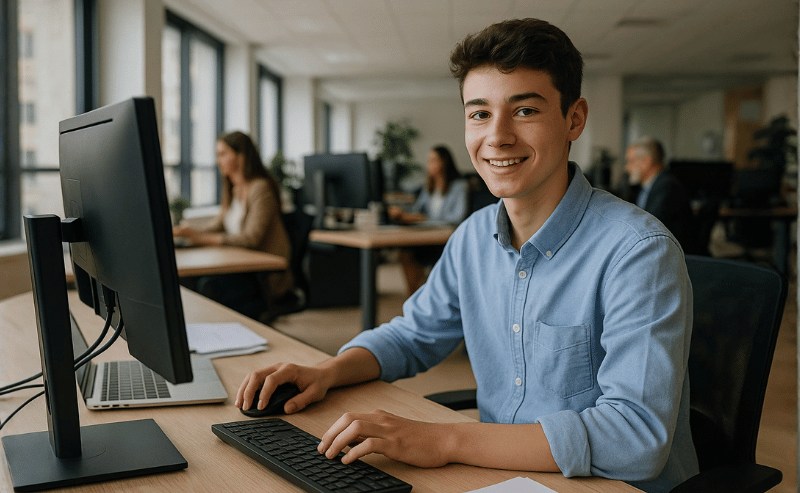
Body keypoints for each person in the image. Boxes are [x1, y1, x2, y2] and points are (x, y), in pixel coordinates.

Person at [236, 18, 697, 492]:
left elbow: (636, 439)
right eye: (479, 114)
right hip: (502, 475)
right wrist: (326, 371)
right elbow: (415, 334)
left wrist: (446, 440)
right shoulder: (474, 237)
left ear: (574, 119)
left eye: (524, 111)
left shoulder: (638, 252)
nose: (497, 136)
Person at [173, 130, 293, 320]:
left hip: (262, 273)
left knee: (207, 285)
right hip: (241, 265)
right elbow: (218, 225)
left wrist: (200, 238)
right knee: (185, 279)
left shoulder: (260, 189)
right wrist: (185, 232)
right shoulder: (233, 188)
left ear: (241, 156)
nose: (218, 160)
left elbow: (251, 238)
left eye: (223, 154)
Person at [388, 145, 468, 295]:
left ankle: (420, 296)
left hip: (446, 239)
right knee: (405, 253)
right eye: (428, 161)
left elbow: (457, 217)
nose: (429, 164)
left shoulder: (460, 186)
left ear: (444, 162)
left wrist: (427, 219)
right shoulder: (428, 187)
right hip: (427, 236)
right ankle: (412, 295)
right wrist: (403, 214)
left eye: (433, 160)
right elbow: (417, 210)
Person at [624, 136, 696, 252]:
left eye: (631, 161)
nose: (627, 168)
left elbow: (648, 226)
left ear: (646, 162)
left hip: (668, 252)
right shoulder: (644, 187)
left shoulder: (667, 187)